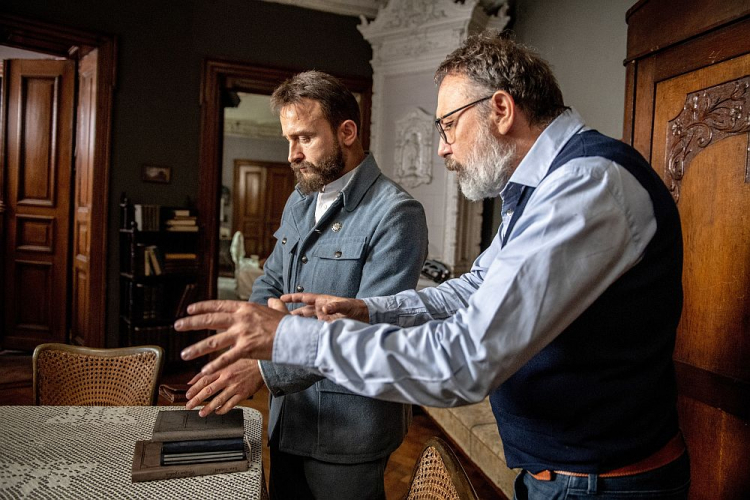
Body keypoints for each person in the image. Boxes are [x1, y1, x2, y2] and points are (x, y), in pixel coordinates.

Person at [177, 32, 690, 499]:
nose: (443, 148)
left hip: (605, 483)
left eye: (448, 125)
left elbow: (463, 361)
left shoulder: (586, 187)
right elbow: (470, 289)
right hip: (562, 472)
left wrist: (288, 337)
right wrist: (368, 311)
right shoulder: (541, 190)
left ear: (502, 109)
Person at [184, 70, 428, 500]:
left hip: (349, 429)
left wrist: (261, 365)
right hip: (290, 416)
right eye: (287, 140)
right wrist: (258, 329)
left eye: (305, 138)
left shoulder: (397, 214)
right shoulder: (301, 199)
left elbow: (365, 330)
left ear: (346, 132)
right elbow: (271, 280)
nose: (293, 154)